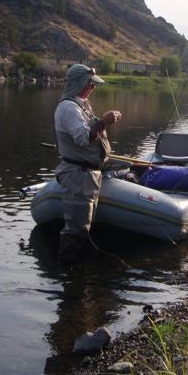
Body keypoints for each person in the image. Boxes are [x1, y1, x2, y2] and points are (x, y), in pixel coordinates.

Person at [53, 64, 122, 262]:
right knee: (75, 230)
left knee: (84, 225)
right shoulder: (68, 108)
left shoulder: (82, 105)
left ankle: (79, 272)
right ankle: (70, 276)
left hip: (88, 174)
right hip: (77, 175)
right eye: (91, 84)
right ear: (80, 83)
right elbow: (83, 138)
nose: (93, 88)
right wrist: (104, 121)